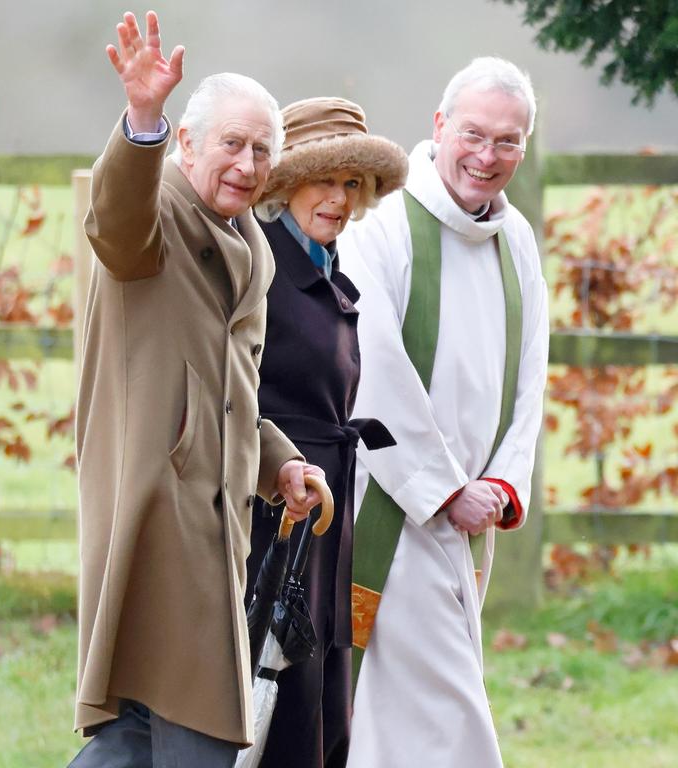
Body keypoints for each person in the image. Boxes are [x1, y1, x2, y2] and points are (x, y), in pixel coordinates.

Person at [70, 11, 327, 768]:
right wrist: (141, 119)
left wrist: (276, 461)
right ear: (186, 143)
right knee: (201, 730)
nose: (248, 164)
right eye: (231, 144)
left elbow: (230, 387)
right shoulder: (156, 219)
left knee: (135, 735)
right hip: (155, 513)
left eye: (262, 150)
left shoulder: (253, 244)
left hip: (218, 520)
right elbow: (114, 223)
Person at [337, 57, 549, 767]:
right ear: (439, 126)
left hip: (469, 521)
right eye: (474, 134)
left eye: (508, 142)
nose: (487, 157)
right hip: (395, 509)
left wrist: (500, 485)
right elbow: (371, 369)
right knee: (447, 725)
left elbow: (530, 380)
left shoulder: (515, 241)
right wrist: (446, 490)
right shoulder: (385, 225)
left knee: (407, 719)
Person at [243, 98, 406, 768]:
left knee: (327, 690)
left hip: (328, 505)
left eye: (351, 184)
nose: (339, 199)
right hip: (274, 513)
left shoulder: (326, 261)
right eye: (323, 180)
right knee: (277, 688)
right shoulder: (262, 261)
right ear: (285, 183)